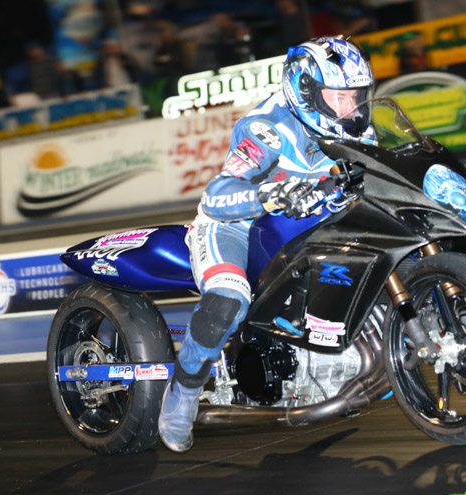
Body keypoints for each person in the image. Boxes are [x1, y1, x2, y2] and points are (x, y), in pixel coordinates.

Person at [159, 36, 375, 453]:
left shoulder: (358, 127)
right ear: (307, 91)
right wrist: (270, 194)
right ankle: (184, 391)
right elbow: (217, 195)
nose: (351, 108)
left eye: (356, 97)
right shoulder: (267, 128)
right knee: (229, 300)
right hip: (237, 225)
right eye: (340, 97)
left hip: (308, 226)